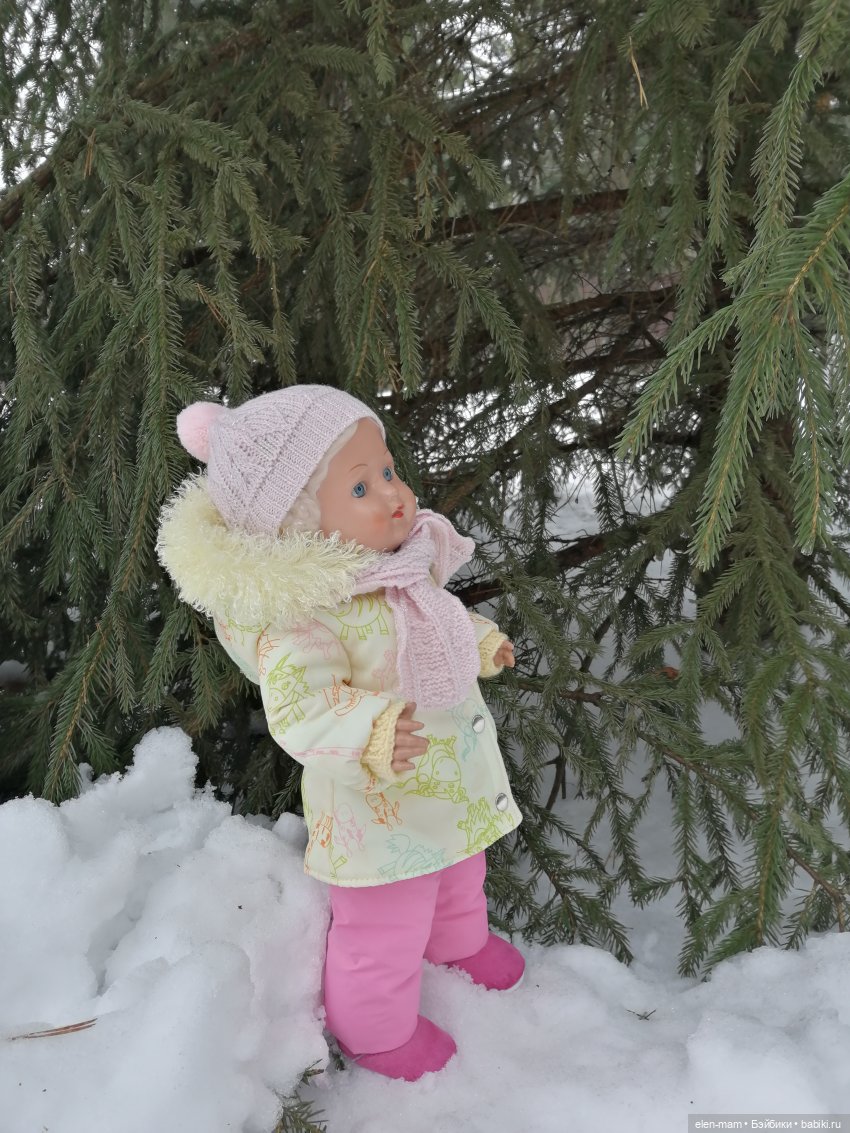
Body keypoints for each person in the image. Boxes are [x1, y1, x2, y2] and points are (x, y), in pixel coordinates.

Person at [156, 384, 524, 1081]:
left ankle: (459, 944)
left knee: (460, 870)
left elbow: (435, 624)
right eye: (361, 487)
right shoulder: (305, 617)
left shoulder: (397, 568)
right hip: (377, 811)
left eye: (387, 471)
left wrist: (479, 641)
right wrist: (370, 732)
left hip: (448, 782)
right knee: (385, 921)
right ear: (298, 526)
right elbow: (302, 706)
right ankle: (375, 1030)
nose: (393, 494)